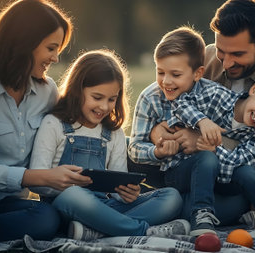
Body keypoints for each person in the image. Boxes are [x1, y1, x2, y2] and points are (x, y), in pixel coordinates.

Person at [150, 0, 255, 223]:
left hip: (246, 189)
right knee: (129, 152)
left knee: (194, 208)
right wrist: (159, 129)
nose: (226, 63)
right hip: (192, 167)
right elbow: (164, 96)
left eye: (237, 54)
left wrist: (208, 140)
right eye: (221, 51)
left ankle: (161, 204)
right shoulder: (206, 58)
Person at [0, 0, 92, 244]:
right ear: (25, 42)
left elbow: (69, 132)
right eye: (51, 48)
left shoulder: (47, 91)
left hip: (4, 197)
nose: (56, 58)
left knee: (46, 219)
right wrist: (41, 177)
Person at [29, 49, 189, 241]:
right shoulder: (53, 124)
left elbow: (116, 185)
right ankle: (140, 230)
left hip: (106, 207)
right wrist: (67, 183)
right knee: (74, 195)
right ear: (77, 90)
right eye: (97, 97)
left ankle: (98, 230)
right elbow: (36, 183)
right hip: (66, 206)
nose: (104, 107)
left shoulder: (114, 133)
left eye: (111, 99)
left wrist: (127, 194)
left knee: (171, 197)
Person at [166, 69, 255, 229]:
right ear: (254, 90)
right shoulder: (216, 95)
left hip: (222, 181)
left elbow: (241, 162)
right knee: (207, 159)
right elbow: (179, 103)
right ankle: (201, 215)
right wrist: (202, 121)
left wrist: (215, 149)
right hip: (188, 171)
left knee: (246, 171)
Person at [129, 27, 222, 236]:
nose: (166, 81)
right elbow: (135, 148)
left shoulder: (211, 95)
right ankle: (165, 206)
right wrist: (157, 152)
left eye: (175, 74)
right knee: (122, 146)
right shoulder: (150, 97)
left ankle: (200, 213)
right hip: (160, 173)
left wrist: (206, 140)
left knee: (208, 161)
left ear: (198, 73)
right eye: (160, 72)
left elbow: (227, 140)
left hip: (194, 175)